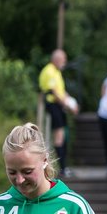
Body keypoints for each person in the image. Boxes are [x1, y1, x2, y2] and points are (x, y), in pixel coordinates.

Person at [38, 49, 79, 179]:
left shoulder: (56, 72)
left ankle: (63, 167)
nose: (65, 62)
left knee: (62, 135)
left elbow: (61, 91)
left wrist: (71, 101)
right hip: (54, 105)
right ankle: (61, 167)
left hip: (58, 105)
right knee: (59, 136)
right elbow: (54, 93)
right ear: (56, 59)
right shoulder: (49, 71)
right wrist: (67, 105)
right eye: (63, 59)